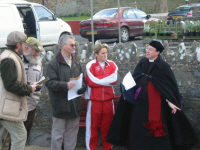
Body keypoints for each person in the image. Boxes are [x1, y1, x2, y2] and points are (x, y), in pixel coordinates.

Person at [107, 40, 199, 150]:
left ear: (157, 52)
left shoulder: (163, 67)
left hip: (156, 106)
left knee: (155, 130)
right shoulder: (142, 63)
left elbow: (168, 88)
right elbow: (135, 79)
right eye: (147, 48)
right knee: (138, 127)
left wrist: (170, 101)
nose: (147, 51)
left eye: (151, 49)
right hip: (139, 105)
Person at [45, 35, 86, 150]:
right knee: (57, 136)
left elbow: (83, 79)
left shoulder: (76, 62)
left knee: (71, 135)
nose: (74, 47)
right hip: (60, 106)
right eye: (71, 45)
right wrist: (65, 85)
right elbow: (49, 83)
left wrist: (83, 87)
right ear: (63, 46)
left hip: (74, 106)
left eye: (74, 45)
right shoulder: (53, 64)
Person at [0, 31, 37, 150]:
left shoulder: (9, 56)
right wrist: (29, 88)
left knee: (2, 136)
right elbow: (10, 84)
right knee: (20, 135)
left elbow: (10, 81)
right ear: (18, 45)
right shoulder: (9, 59)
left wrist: (27, 85)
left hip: (6, 106)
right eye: (24, 44)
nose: (26, 46)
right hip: (7, 107)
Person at [84, 43, 118, 150]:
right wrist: (106, 80)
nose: (105, 55)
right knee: (92, 128)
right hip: (95, 102)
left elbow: (114, 80)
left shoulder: (112, 64)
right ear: (96, 54)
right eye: (103, 53)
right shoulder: (90, 65)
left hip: (108, 102)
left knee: (107, 128)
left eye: (106, 52)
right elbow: (90, 82)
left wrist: (98, 79)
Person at [23, 37, 44, 138]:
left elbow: (40, 79)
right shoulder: (18, 61)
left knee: (25, 135)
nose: (37, 54)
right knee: (14, 137)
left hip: (32, 105)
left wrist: (39, 86)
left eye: (39, 52)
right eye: (35, 51)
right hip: (18, 104)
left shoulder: (39, 63)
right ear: (27, 49)